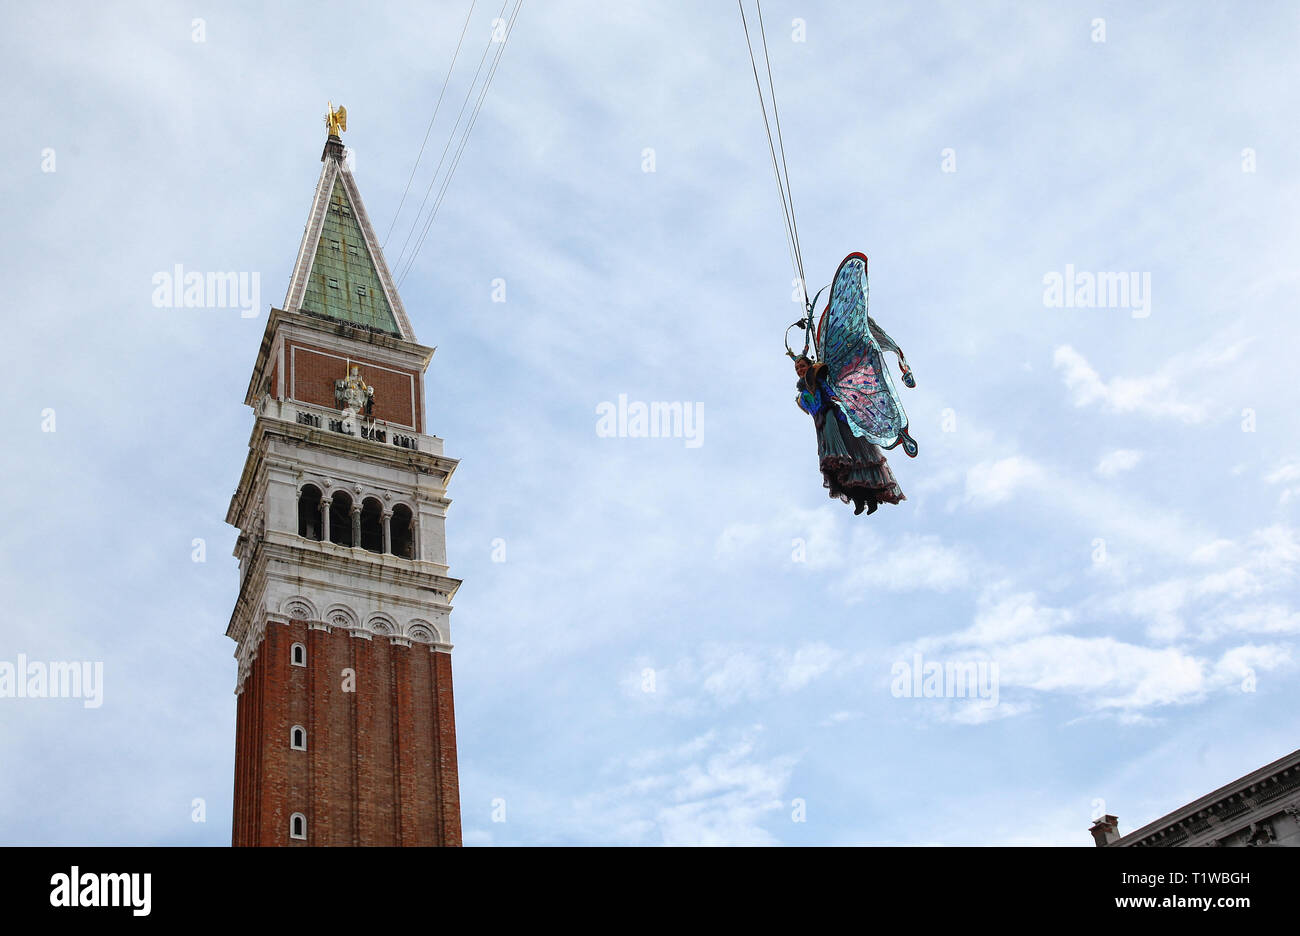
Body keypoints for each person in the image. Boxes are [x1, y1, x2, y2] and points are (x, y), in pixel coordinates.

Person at [795, 354, 905, 515]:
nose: (799, 370)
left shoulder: (817, 379)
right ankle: (859, 500)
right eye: (797, 368)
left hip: (832, 418)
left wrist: (833, 393)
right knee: (835, 467)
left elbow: (829, 391)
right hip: (821, 427)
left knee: (847, 458)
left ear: (809, 365)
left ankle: (872, 499)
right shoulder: (802, 392)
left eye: (802, 366)